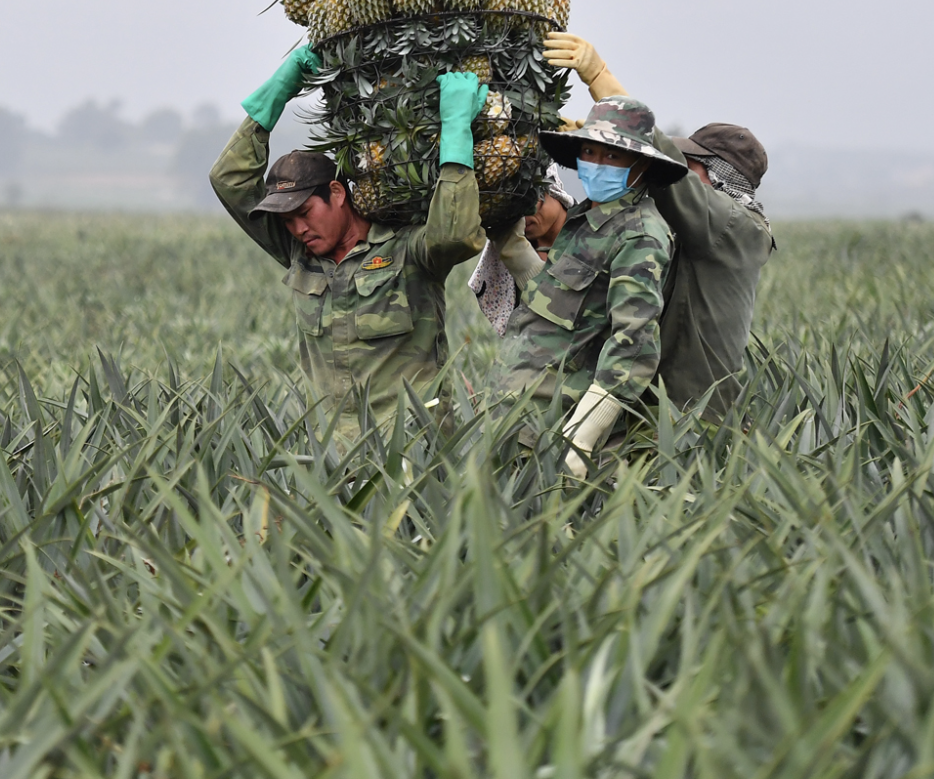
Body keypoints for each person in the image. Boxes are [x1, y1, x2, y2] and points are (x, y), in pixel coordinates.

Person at [210, 47, 487, 442]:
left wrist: (456, 135)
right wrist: (277, 92)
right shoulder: (298, 253)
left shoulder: (407, 251)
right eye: (286, 220)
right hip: (331, 455)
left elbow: (455, 235)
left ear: (337, 193)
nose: (297, 228)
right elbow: (229, 181)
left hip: (412, 452)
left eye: (305, 212)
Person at [541, 33, 774, 418]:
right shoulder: (701, 228)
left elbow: (665, 160)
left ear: (718, 176)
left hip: (691, 419)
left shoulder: (736, 227)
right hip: (653, 410)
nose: (677, 169)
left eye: (690, 163)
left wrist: (599, 77)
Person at [495, 96, 687, 477]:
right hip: (522, 417)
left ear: (641, 164)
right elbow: (564, 308)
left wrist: (582, 435)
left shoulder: (640, 233)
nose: (596, 164)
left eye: (611, 156)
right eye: (588, 151)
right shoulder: (586, 216)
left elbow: (633, 345)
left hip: (558, 428)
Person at [468, 165, 575, 335]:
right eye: (511, 209)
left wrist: (517, 254)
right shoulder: (507, 249)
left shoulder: (590, 236)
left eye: (530, 199)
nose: (523, 216)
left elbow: (569, 318)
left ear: (553, 190)